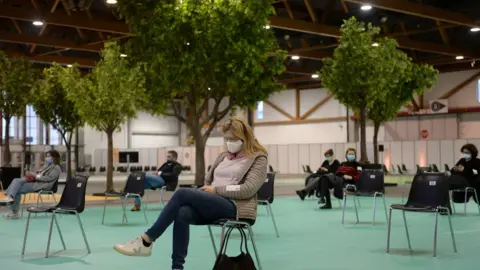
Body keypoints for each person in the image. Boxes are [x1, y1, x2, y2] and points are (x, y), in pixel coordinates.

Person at [113, 116, 267, 270]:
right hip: (214, 202)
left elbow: (249, 189)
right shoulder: (223, 156)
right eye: (226, 139)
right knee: (182, 212)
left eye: (233, 139)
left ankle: (146, 240)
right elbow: (210, 181)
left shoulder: (258, 158)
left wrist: (216, 190)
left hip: (236, 207)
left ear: (245, 137)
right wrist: (209, 192)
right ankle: (177, 267)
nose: (229, 143)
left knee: (182, 193)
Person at [0, 150, 62, 219]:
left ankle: (12, 203)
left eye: (49, 156)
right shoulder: (46, 165)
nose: (46, 158)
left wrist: (35, 176)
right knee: (16, 182)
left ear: (54, 157)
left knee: (16, 186)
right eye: (46, 156)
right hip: (37, 182)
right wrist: (31, 174)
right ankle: (11, 199)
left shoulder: (56, 167)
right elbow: (39, 174)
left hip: (43, 185)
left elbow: (48, 178)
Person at [296, 148, 361, 209]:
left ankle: (306, 192)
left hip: (345, 180)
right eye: (349, 154)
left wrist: (351, 177)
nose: (351, 155)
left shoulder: (357, 165)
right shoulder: (343, 163)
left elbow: (359, 175)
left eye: (352, 154)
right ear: (346, 155)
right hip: (336, 177)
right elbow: (337, 172)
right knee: (323, 179)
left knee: (324, 177)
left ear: (355, 155)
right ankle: (327, 203)